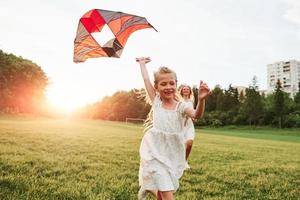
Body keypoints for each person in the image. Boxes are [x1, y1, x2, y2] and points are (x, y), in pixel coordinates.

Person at [136, 57, 210, 200]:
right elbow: (146, 80)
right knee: (166, 190)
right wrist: (142, 64)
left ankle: (149, 188)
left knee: (164, 189)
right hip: (155, 151)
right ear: (156, 87)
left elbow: (196, 115)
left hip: (172, 153)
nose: (168, 87)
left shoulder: (181, 106)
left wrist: (201, 100)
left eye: (171, 83)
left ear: (176, 84)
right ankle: (150, 188)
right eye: (163, 84)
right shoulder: (156, 102)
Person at [178, 84, 196, 169]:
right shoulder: (178, 100)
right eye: (184, 89)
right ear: (181, 91)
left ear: (189, 91)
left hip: (189, 125)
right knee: (180, 145)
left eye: (187, 89)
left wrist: (193, 118)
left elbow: (192, 112)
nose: (185, 90)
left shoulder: (191, 101)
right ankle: (177, 161)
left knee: (189, 144)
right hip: (180, 125)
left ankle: (184, 162)